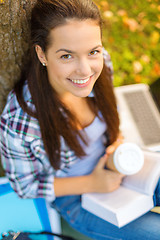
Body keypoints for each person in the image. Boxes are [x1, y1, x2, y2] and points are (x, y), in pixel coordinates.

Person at [0, 0, 160, 239]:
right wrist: (95, 183)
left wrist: (117, 141)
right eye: (66, 56)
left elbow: (110, 114)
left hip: (119, 164)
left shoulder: (102, 62)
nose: (85, 70)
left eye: (92, 51)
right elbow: (25, 186)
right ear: (42, 54)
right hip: (76, 197)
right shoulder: (20, 120)